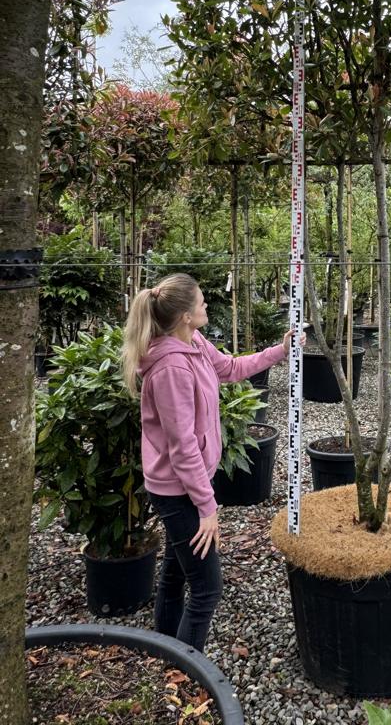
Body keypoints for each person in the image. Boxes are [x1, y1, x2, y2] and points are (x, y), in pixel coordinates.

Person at [122, 272, 300, 652]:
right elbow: (182, 446)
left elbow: (231, 369)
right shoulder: (171, 368)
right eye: (201, 302)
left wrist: (280, 350)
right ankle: (189, 677)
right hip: (177, 492)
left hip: (189, 485)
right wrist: (207, 507)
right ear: (185, 315)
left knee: (174, 572)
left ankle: (167, 653)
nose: (206, 306)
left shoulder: (194, 343)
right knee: (206, 588)